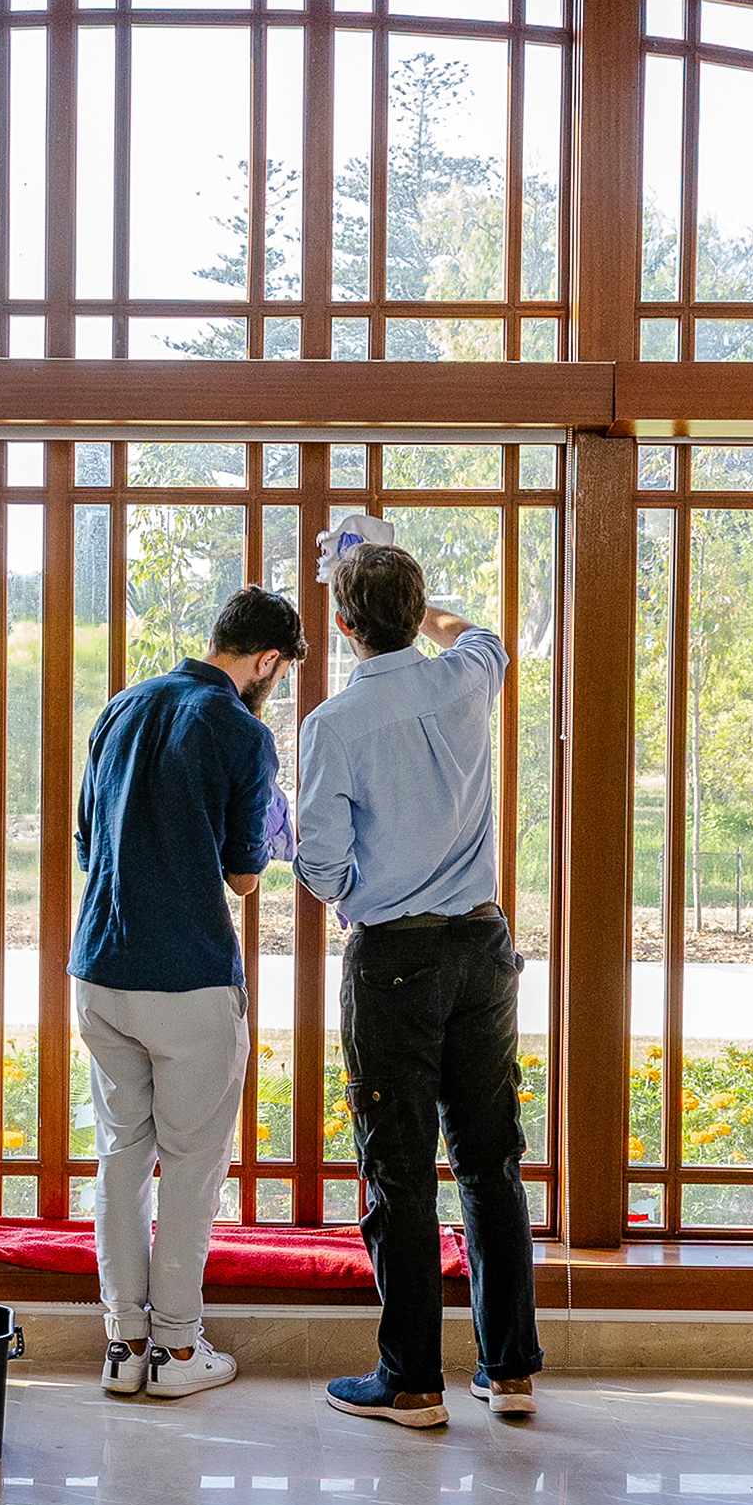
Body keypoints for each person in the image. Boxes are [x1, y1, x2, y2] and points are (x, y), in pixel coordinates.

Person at [293, 542, 541, 1429]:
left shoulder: (330, 725)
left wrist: (364, 899)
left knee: (399, 1173)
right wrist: (430, 608)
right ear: (421, 610)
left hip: (395, 955)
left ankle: (412, 1382)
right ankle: (508, 1370)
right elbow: (484, 636)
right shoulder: (465, 678)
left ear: (341, 625)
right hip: (483, 948)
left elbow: (318, 862)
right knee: (490, 1161)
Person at [73, 584, 307, 1400]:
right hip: (190, 978)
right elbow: (243, 876)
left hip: (99, 968)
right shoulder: (243, 732)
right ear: (267, 660)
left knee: (119, 1159)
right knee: (193, 1164)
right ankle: (176, 1352)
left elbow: (84, 845)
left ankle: (121, 1346)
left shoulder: (120, 709)